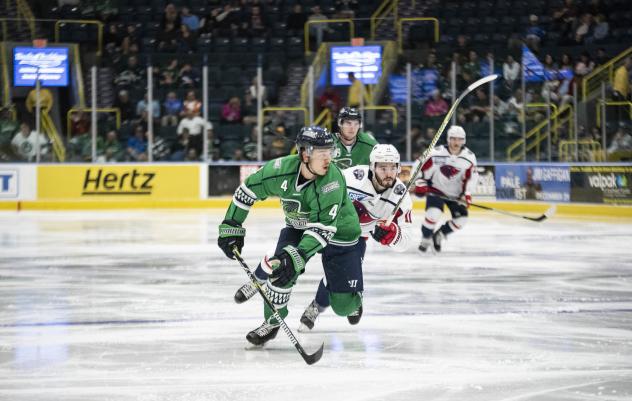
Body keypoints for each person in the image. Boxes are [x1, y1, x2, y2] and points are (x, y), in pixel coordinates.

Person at [219, 126, 362, 346]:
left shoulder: (332, 181)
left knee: (344, 307)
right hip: (298, 227)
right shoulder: (280, 170)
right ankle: (272, 322)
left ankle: (353, 296)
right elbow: (246, 191)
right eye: (321, 152)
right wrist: (232, 225)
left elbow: (324, 228)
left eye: (330, 151)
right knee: (280, 271)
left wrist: (296, 255)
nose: (328, 158)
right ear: (305, 154)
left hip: (340, 232)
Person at [299, 144, 415, 331]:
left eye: (393, 167)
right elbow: (322, 188)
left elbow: (407, 240)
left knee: (336, 274)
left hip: (358, 236)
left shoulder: (401, 196)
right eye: (383, 167)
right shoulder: (351, 178)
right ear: (372, 167)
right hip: (331, 226)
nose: (388, 173)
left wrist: (393, 235)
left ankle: (318, 306)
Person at [413, 125, 478, 252]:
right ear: (448, 139)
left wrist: (467, 193)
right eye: (453, 139)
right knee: (433, 214)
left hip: (456, 196)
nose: (456, 142)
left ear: (464, 141)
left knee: (462, 220)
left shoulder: (469, 157)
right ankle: (426, 238)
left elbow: (472, 178)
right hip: (436, 191)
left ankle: (439, 235)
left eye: (459, 139)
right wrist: (419, 181)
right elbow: (418, 166)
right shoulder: (435, 153)